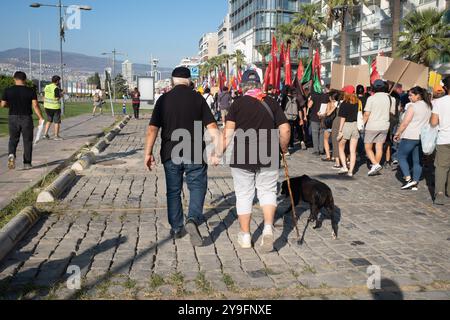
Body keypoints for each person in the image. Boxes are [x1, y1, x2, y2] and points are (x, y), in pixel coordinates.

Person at [145, 67, 220, 245]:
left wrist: (148, 153)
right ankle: (192, 219)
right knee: (197, 187)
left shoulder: (163, 100)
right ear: (189, 80)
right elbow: (213, 128)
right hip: (194, 151)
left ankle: (177, 227)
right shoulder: (198, 98)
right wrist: (218, 151)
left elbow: (152, 129)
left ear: (173, 81)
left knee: (173, 190)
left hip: (171, 152)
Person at [221, 69, 290, 252]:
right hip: (269, 154)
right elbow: (285, 130)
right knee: (267, 192)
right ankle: (268, 228)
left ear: (242, 86)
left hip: (242, 156)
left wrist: (218, 152)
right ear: (260, 84)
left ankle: (245, 236)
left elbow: (227, 134)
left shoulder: (237, 104)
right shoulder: (271, 102)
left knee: (244, 195)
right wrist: (283, 148)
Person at [1, 71, 44, 170]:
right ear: (25, 80)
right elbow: (35, 105)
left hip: (13, 117)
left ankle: (11, 154)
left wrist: (11, 105)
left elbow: (3, 105)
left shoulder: (8, 90)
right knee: (27, 141)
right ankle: (27, 163)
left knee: (13, 139)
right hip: (26, 118)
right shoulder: (30, 91)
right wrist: (40, 117)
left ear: (14, 79)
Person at [393, 87, 432, 191]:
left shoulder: (413, 106)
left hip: (410, 135)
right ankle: (415, 182)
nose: (409, 97)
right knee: (417, 160)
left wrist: (398, 133)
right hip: (421, 136)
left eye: (411, 95)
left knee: (401, 156)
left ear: (418, 95)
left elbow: (405, 122)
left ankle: (408, 178)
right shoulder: (428, 106)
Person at [364, 80, 396, 176]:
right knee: (379, 147)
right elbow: (392, 113)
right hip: (385, 125)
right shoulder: (391, 99)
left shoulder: (371, 98)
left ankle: (375, 164)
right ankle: (375, 168)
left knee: (368, 147)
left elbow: (366, 114)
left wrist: (362, 124)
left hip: (372, 125)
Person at [431, 76, 450, 205]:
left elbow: (433, 122)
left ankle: (440, 193)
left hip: (444, 138)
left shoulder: (439, 102)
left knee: (441, 167)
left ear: (446, 87)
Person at [337, 86, 360, 177]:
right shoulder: (358, 103)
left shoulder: (344, 103)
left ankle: (345, 166)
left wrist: (340, 130)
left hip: (346, 125)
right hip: (355, 126)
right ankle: (351, 171)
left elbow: (342, 118)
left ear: (346, 93)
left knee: (341, 147)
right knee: (353, 151)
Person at [307, 89, 329, 156]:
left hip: (314, 117)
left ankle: (316, 150)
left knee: (315, 134)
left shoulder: (313, 96)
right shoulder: (326, 96)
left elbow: (309, 106)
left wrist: (309, 100)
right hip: (323, 117)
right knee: (322, 133)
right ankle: (321, 149)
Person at [42, 75, 63, 141]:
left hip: (47, 106)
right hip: (55, 107)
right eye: (59, 81)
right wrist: (61, 95)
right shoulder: (55, 88)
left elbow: (44, 95)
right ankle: (56, 136)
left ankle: (45, 134)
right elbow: (57, 98)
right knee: (57, 122)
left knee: (49, 120)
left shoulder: (47, 87)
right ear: (57, 81)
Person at [282, 86, 301, 155]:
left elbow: (282, 108)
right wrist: (301, 118)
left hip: (286, 117)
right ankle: (291, 144)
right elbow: (299, 110)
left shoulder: (285, 98)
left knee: (285, 132)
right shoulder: (295, 99)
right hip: (293, 117)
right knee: (291, 131)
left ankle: (286, 148)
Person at [324, 91, 341, 163]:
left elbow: (327, 113)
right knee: (336, 141)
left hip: (329, 124)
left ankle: (328, 156)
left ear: (331, 97)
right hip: (338, 124)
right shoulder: (340, 104)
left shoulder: (330, 104)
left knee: (326, 139)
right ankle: (334, 156)